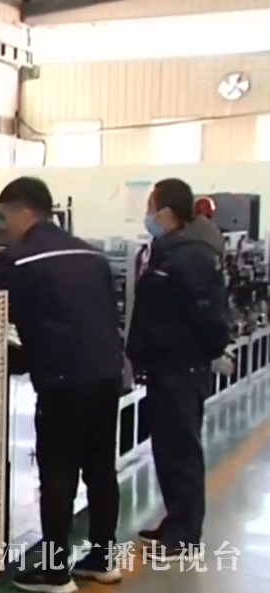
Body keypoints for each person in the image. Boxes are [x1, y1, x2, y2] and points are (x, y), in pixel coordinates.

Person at [0, 177, 125, 592]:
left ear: (23, 212)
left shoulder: (22, 258)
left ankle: (55, 573)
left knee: (58, 474)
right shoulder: (90, 254)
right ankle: (102, 559)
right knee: (100, 470)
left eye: (6, 218)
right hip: (107, 374)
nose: (6, 228)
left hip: (64, 380)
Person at [127, 179, 229, 562]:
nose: (148, 215)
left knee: (181, 452)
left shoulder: (191, 257)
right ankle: (176, 522)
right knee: (168, 451)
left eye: (151, 208)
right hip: (165, 366)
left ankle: (185, 536)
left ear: (166, 213)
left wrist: (211, 352)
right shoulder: (169, 251)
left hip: (181, 369)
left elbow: (209, 314)